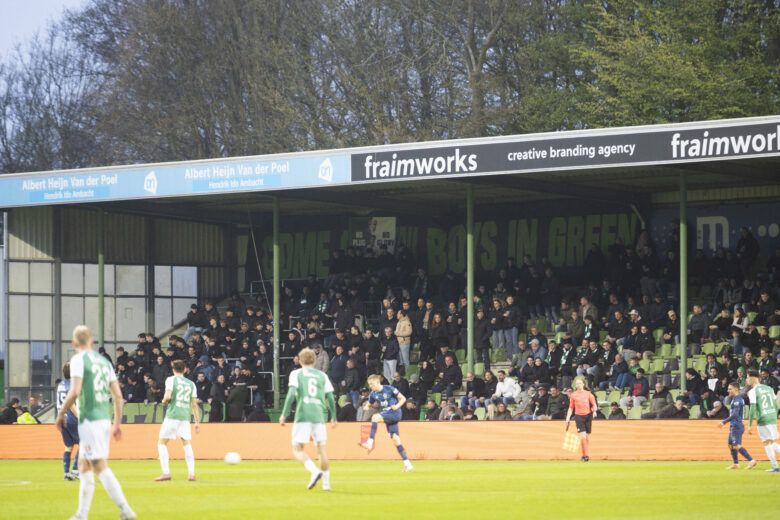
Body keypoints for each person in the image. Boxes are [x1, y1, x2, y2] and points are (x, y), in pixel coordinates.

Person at [55, 325, 135, 520]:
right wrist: (116, 424)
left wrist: (61, 412)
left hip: (90, 420)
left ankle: (122, 510)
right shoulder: (104, 362)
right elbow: (118, 396)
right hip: (103, 420)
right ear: (91, 342)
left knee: (97, 466)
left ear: (74, 343)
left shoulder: (78, 360)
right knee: (86, 465)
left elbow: (74, 391)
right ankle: (86, 514)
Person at [280, 347, 337, 490]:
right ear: (315, 360)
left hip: (303, 414)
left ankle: (314, 471)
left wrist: (284, 414)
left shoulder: (296, 373)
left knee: (297, 449)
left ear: (299, 360)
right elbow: (330, 396)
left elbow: (291, 393)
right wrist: (334, 417)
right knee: (321, 449)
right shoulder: (322, 375)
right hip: (319, 414)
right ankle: (326, 484)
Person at [154, 360, 200, 482]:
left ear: (173, 369)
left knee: (162, 443)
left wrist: (164, 401)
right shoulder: (191, 384)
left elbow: (168, 396)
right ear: (185, 369)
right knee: (187, 444)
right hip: (184, 417)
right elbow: (194, 405)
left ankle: (166, 473)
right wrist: (197, 422)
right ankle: (191, 474)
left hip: (172, 415)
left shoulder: (171, 380)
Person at [358, 374, 414, 472]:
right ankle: (408, 464)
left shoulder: (389, 388)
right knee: (396, 440)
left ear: (377, 382)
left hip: (395, 413)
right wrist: (367, 406)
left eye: (371, 384)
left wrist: (397, 406)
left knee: (375, 417)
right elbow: (369, 403)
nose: (370, 386)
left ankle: (370, 442)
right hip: (388, 416)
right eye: (369, 384)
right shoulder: (373, 394)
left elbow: (403, 398)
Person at [746, 369, 780, 472]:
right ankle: (775, 467)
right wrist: (774, 416)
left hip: (763, 419)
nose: (747, 380)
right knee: (772, 442)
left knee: (767, 443)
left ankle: (775, 466)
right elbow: (775, 404)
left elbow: (752, 408)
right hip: (772, 417)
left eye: (747, 377)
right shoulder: (769, 388)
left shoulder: (752, 391)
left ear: (752, 378)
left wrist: (749, 424)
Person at [718, 381, 756, 470]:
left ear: (736, 389)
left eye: (730, 389)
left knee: (737, 446)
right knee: (730, 445)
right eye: (728, 389)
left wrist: (723, 422)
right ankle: (736, 464)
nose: (728, 391)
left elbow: (735, 414)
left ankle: (751, 460)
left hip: (737, 425)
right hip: (733, 425)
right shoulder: (734, 399)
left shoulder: (738, 400)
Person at [56, 363, 80, 480]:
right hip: (71, 418)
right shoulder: (72, 385)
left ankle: (66, 474)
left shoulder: (61, 384)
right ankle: (75, 470)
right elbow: (71, 404)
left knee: (68, 446)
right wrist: (79, 416)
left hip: (62, 419)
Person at [565, 378, 598, 462]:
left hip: (588, 416)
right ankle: (585, 455)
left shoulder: (589, 394)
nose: (578, 385)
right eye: (577, 383)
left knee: (586, 436)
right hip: (578, 416)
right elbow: (571, 407)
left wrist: (594, 411)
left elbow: (594, 404)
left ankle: (585, 453)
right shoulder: (573, 395)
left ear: (583, 384)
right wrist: (567, 418)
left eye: (580, 383)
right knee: (582, 435)